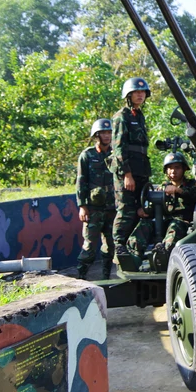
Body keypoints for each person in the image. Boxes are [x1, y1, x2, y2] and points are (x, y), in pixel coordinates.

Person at [128, 152, 196, 264]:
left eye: (177, 168)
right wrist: (145, 210)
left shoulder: (193, 185)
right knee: (145, 224)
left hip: (184, 223)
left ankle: (164, 254)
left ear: (184, 169)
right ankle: (133, 255)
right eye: (169, 168)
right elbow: (154, 206)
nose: (173, 171)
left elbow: (195, 196)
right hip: (163, 221)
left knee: (174, 226)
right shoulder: (162, 187)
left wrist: (178, 190)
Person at [110, 77, 151, 266]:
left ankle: (133, 250)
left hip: (141, 169)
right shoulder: (122, 116)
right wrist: (127, 174)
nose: (140, 95)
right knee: (126, 209)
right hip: (127, 171)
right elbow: (119, 148)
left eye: (143, 92)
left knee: (141, 210)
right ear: (128, 95)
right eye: (136, 92)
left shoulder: (139, 116)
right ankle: (119, 248)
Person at [75, 118, 115, 280]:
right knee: (90, 245)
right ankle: (81, 277)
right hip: (93, 208)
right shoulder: (87, 155)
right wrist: (82, 206)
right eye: (103, 133)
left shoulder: (116, 154)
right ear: (96, 135)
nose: (106, 136)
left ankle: (106, 276)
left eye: (109, 132)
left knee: (110, 245)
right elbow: (81, 181)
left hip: (112, 208)